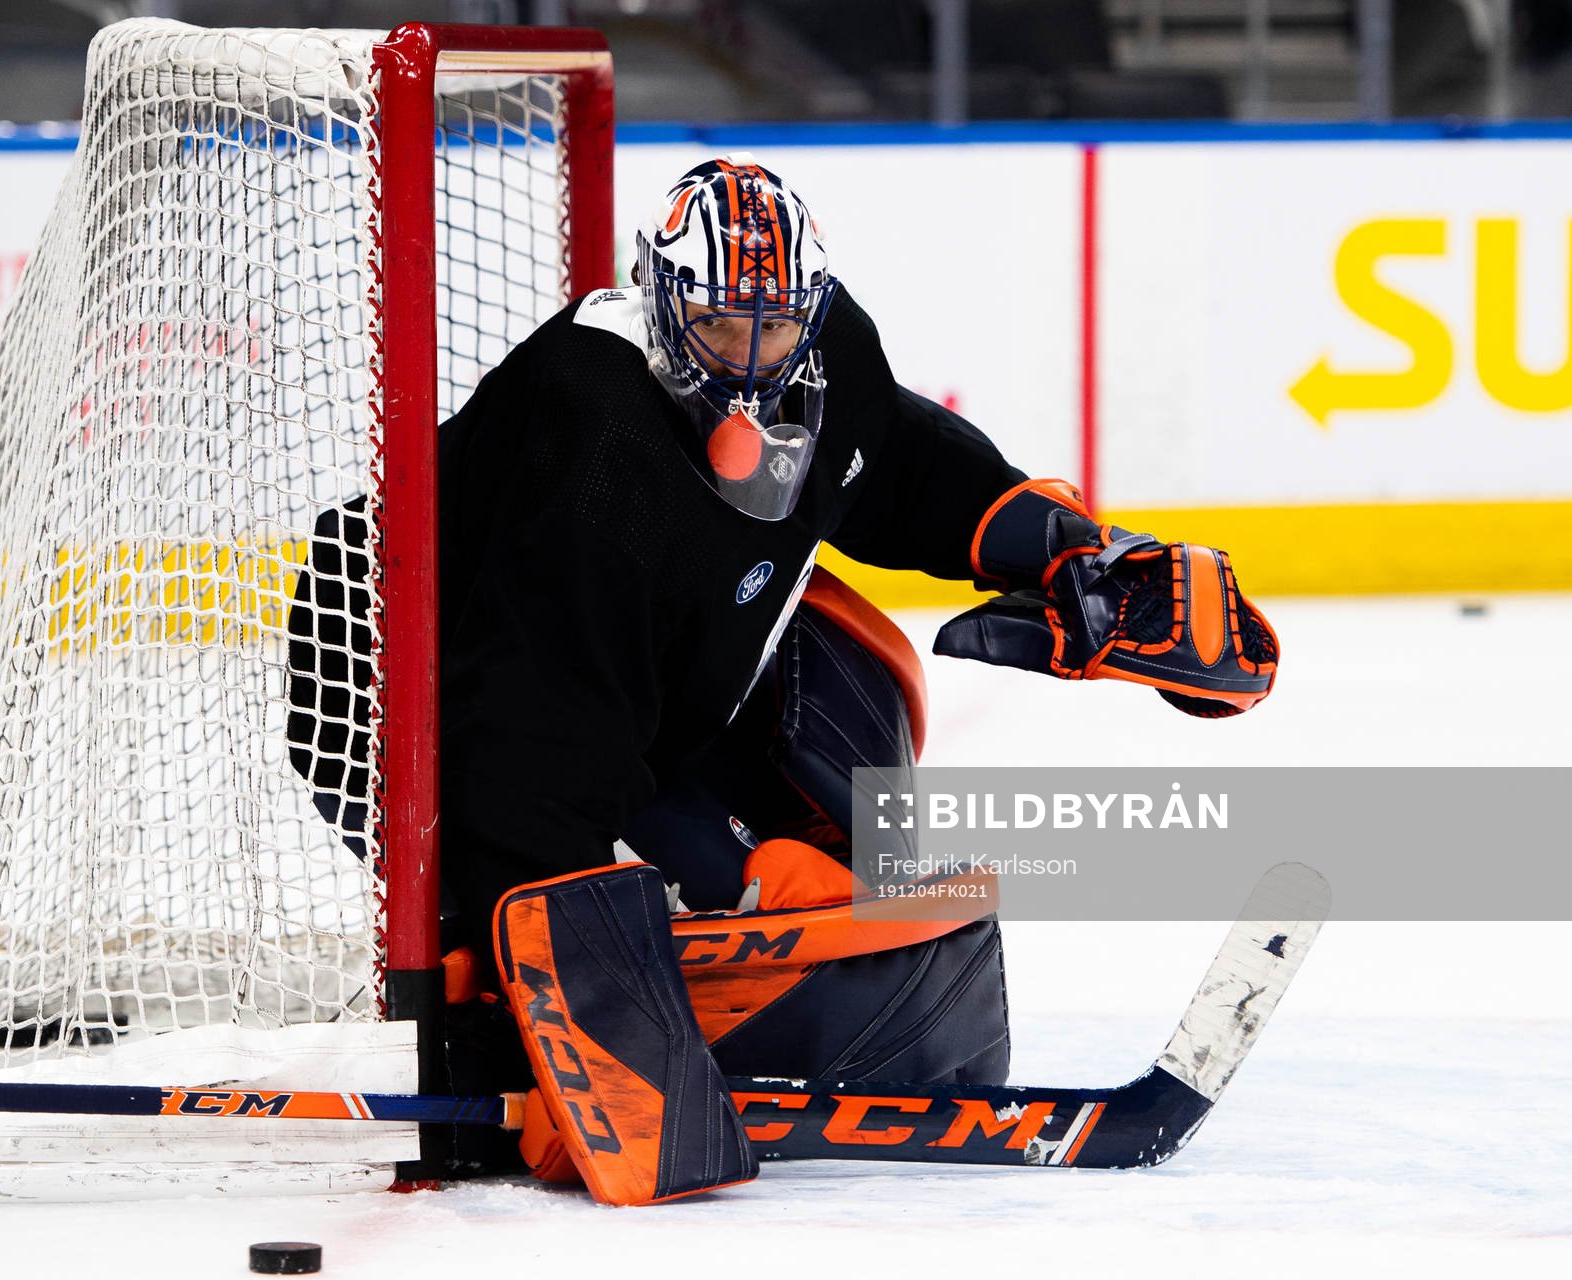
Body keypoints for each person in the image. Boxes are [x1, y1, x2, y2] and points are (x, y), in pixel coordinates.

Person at [289, 154, 1278, 1205]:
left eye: (774, 329)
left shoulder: (824, 348)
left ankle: (696, 905)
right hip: (395, 698)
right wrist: (588, 1035)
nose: (752, 362)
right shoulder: (595, 452)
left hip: (610, 683)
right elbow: (530, 752)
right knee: (693, 901)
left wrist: (1077, 553)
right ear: (663, 303)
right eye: (721, 328)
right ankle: (497, 964)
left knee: (852, 678)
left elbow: (896, 464)